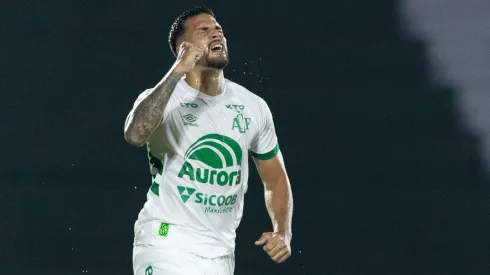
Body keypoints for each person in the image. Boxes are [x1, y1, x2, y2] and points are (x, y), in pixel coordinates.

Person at [124, 6, 293, 275]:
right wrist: (178, 70)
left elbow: (275, 177)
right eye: (204, 31)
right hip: (167, 241)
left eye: (219, 30)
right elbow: (135, 134)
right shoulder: (161, 98)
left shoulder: (252, 106)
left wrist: (283, 232)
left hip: (221, 254)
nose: (216, 35)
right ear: (182, 47)